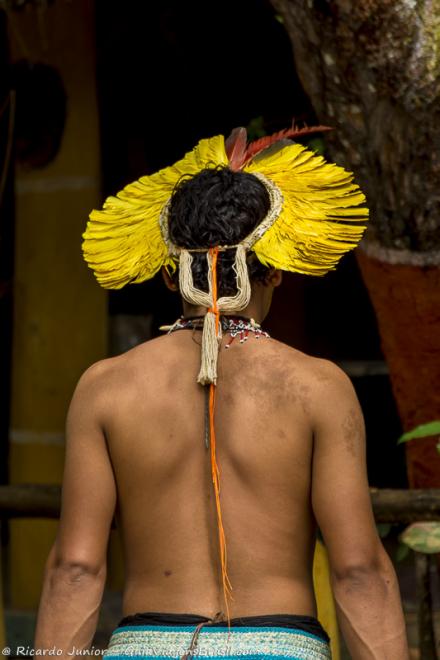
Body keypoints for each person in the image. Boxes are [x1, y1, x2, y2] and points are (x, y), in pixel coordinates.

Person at [34, 128, 409, 659]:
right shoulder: (317, 388)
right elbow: (359, 571)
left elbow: (75, 567)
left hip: (145, 648)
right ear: (276, 270)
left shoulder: (105, 388)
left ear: (169, 274)